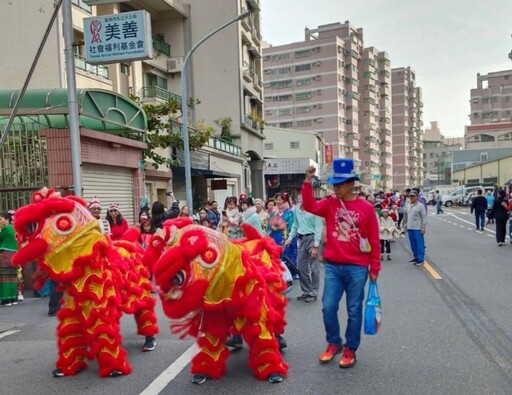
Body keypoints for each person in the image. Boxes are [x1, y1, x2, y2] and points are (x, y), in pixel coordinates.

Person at [301, 158, 380, 369]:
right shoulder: (329, 203)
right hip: (333, 266)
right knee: (328, 307)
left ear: (351, 184)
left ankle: (350, 348)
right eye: (334, 183)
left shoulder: (366, 208)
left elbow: (373, 239)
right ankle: (333, 342)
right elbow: (308, 205)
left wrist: (375, 268)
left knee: (354, 310)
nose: (335, 187)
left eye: (339, 183)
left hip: (357, 267)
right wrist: (307, 181)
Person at [285, 190, 323, 303]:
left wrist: (316, 245)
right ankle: (306, 290)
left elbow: (318, 228)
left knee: (314, 267)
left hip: (312, 239)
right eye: (299, 196)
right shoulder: (296, 209)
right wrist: (290, 238)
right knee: (301, 267)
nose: (301, 198)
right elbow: (295, 225)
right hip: (301, 239)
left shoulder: (315, 209)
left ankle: (313, 292)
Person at [0, 211, 19, 306]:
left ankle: (6, 300)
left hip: (5, 255)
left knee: (4, 277)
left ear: (7, 219)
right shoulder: (13, 229)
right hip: (14, 255)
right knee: (12, 277)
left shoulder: (5, 229)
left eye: (0, 219)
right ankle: (13, 298)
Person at [406, 190, 427, 265]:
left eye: (413, 196)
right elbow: (407, 216)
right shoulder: (408, 205)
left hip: (417, 228)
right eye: (410, 196)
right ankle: (416, 257)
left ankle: (421, 259)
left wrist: (423, 227)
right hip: (410, 227)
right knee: (413, 244)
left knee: (419, 244)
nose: (411, 197)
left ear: (417, 197)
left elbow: (424, 217)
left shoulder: (420, 205)